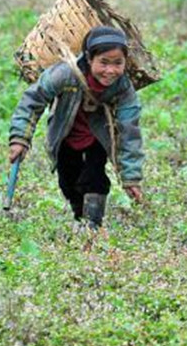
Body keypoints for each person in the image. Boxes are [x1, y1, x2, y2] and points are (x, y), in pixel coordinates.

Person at [8, 26, 144, 230]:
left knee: (95, 178)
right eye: (104, 62)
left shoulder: (123, 88)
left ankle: (93, 226)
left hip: (97, 136)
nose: (110, 70)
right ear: (89, 59)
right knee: (68, 183)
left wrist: (130, 176)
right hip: (65, 135)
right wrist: (20, 139)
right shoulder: (64, 74)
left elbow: (129, 131)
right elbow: (33, 101)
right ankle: (81, 215)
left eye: (118, 63)